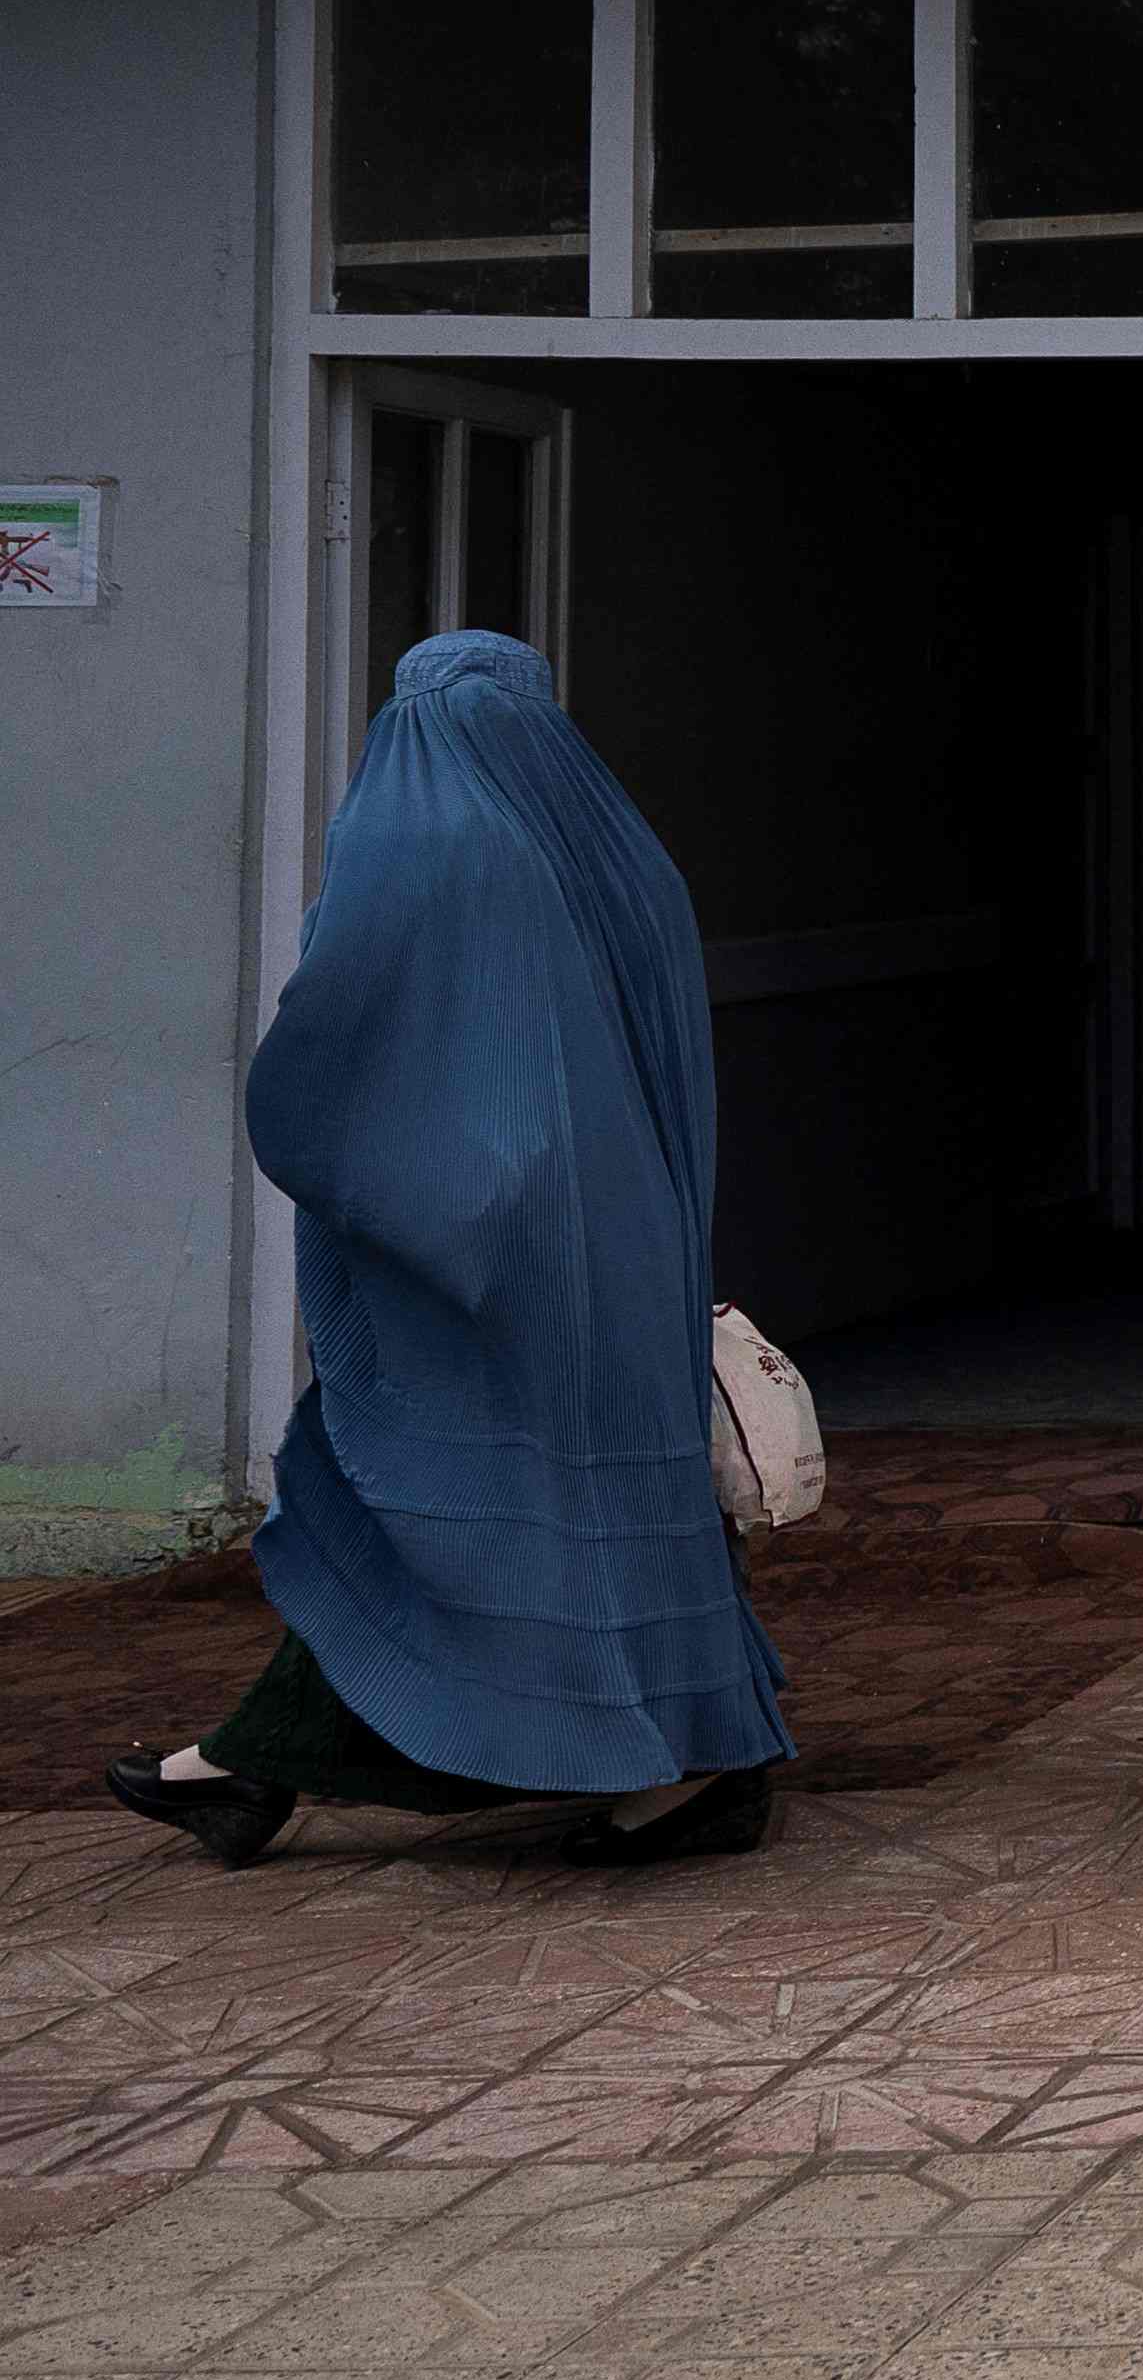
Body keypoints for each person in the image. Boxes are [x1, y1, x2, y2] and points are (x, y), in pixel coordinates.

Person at [108, 632, 792, 1872]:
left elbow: (346, 1041)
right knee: (593, 1503)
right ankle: (689, 1765)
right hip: (626, 1248)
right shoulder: (625, 854)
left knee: (439, 1510)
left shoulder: (425, 846)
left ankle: (270, 1763)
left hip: (488, 1260)